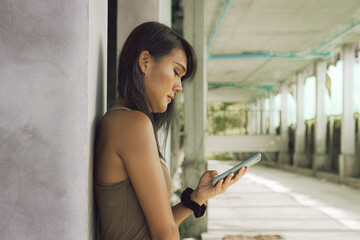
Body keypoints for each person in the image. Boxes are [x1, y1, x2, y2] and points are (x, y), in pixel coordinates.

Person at [93, 21, 248, 240]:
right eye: (176, 72)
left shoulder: (120, 120)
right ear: (145, 62)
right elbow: (164, 233)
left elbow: (144, 228)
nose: (179, 86)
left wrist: (196, 198)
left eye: (181, 77)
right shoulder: (132, 124)